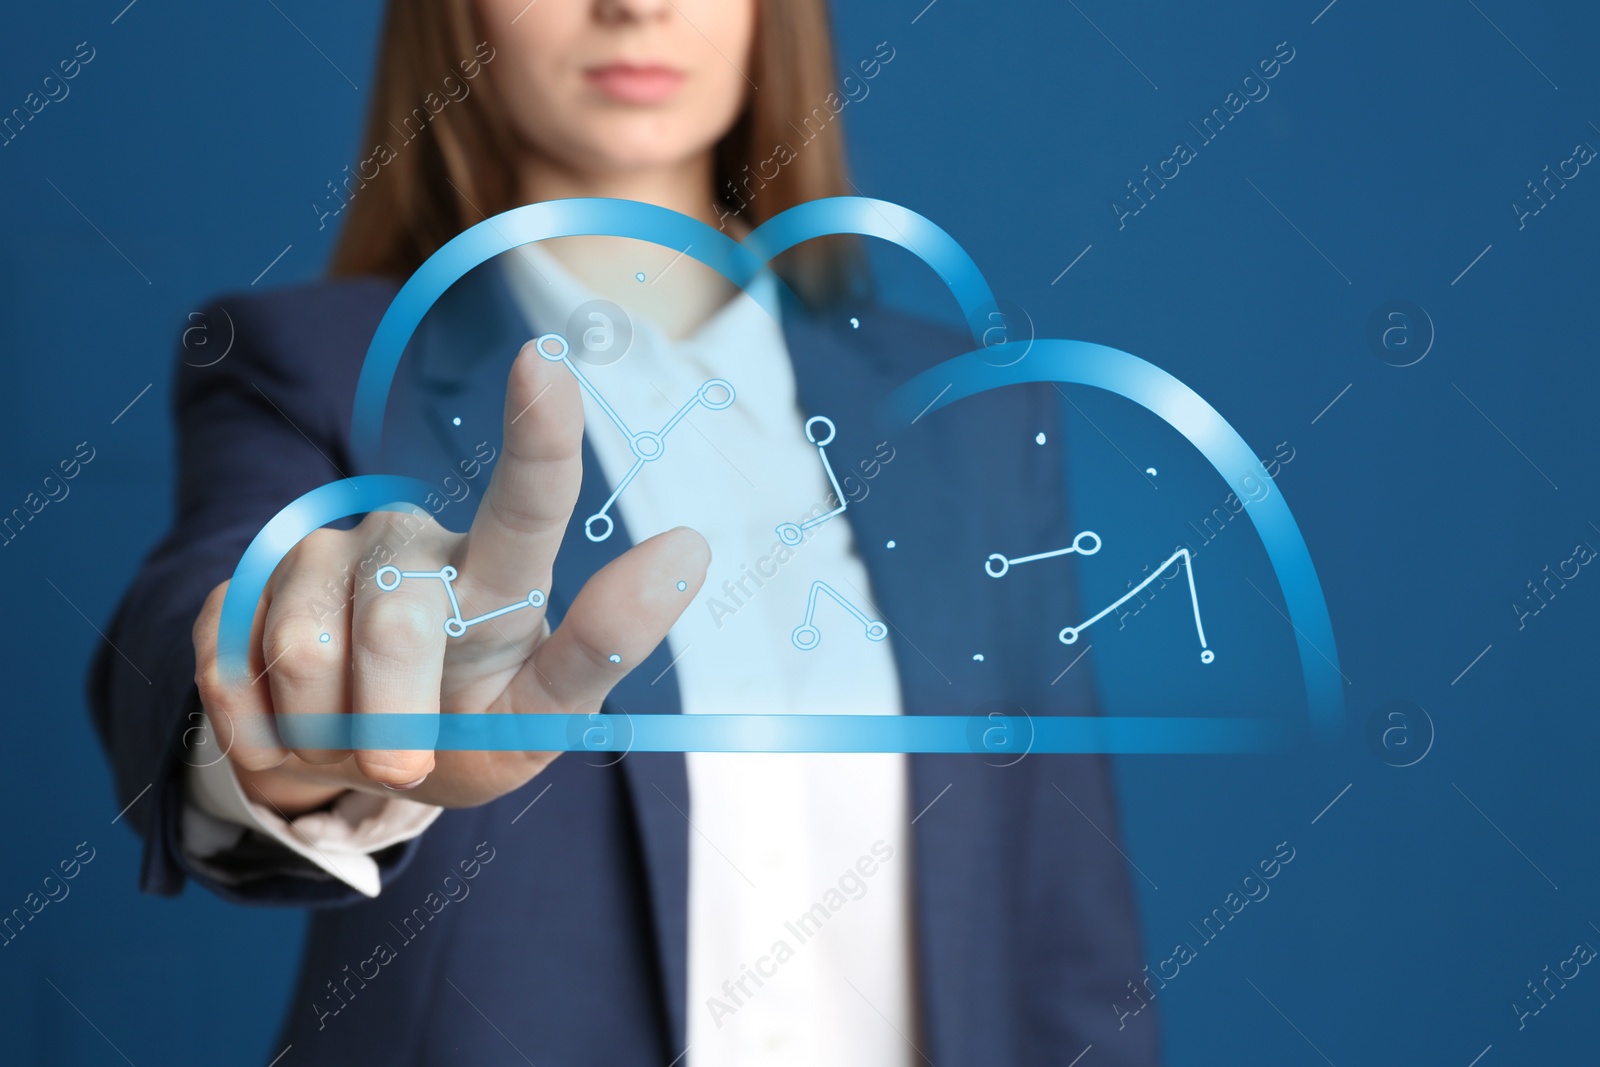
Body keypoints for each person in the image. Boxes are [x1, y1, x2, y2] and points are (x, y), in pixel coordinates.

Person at [90, 1, 1159, 1063]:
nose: (635, 6)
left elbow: (1066, 909)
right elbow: (197, 616)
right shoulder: (312, 365)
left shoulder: (969, 411)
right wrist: (289, 702)